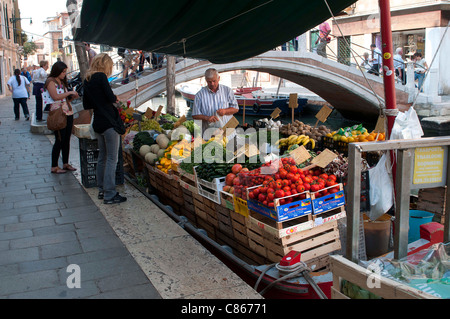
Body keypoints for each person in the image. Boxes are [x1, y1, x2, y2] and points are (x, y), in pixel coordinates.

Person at [83, 53, 127, 204]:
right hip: (109, 123)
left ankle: (102, 190)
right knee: (112, 159)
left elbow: (86, 105)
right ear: (105, 65)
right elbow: (110, 97)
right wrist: (115, 98)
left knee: (102, 157)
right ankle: (109, 194)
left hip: (98, 123)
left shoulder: (87, 79)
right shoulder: (101, 77)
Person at [44, 61, 79, 174]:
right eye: (63, 72)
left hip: (67, 112)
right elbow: (55, 97)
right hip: (58, 114)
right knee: (59, 139)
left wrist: (72, 96)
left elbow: (64, 99)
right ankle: (54, 166)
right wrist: (69, 93)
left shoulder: (62, 82)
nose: (64, 74)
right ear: (57, 71)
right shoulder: (50, 81)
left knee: (66, 139)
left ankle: (65, 163)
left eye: (65, 72)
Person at [192, 68, 239, 139]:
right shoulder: (199, 95)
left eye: (214, 81)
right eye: (209, 82)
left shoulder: (227, 91)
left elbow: (236, 108)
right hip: (209, 135)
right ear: (206, 80)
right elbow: (195, 115)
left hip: (228, 134)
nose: (212, 84)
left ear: (219, 78)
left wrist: (225, 111)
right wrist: (207, 118)